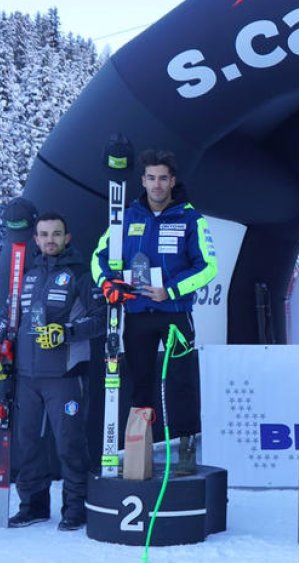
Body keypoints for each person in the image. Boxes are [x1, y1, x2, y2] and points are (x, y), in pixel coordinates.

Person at [93, 149, 217, 472]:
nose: (157, 185)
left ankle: (187, 447)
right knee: (140, 381)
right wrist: (108, 284)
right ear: (143, 180)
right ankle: (139, 449)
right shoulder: (128, 216)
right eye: (151, 178)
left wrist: (171, 290)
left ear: (173, 181)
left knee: (180, 379)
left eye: (163, 178)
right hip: (137, 314)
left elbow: (208, 267)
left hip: (174, 312)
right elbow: (98, 258)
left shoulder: (190, 217)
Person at [0, 212, 103, 530]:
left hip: (64, 376)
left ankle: (76, 508)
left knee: (70, 443)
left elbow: (100, 319)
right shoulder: (27, 274)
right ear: (35, 239)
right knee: (27, 443)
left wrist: (66, 331)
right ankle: (33, 506)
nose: (50, 240)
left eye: (56, 234)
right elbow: (8, 317)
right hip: (26, 377)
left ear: (67, 238)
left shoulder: (80, 274)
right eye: (44, 234)